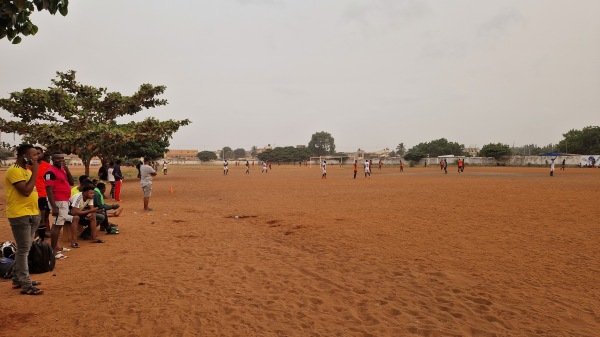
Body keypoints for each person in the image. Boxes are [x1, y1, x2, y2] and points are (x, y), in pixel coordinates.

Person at [5, 144, 43, 295]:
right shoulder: (14, 170)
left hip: (32, 213)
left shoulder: (25, 171)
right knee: (23, 249)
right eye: (34, 155)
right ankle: (26, 285)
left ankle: (17, 279)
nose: (37, 158)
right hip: (20, 215)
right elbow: (26, 191)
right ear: (24, 156)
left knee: (25, 248)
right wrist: (35, 172)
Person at [45, 153, 78, 257]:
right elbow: (49, 190)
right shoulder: (50, 172)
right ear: (52, 159)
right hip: (58, 201)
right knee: (57, 226)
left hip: (64, 201)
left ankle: (57, 246)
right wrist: (54, 206)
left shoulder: (62, 169)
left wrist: (67, 169)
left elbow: (72, 182)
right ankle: (53, 251)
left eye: (62, 158)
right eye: (57, 158)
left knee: (60, 224)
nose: (60, 160)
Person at [34, 147, 51, 241]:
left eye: (38, 153)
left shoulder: (47, 166)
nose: (37, 155)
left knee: (43, 218)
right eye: (35, 154)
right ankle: (34, 238)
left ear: (42, 154)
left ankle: (41, 239)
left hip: (43, 195)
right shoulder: (28, 166)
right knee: (33, 218)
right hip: (31, 196)